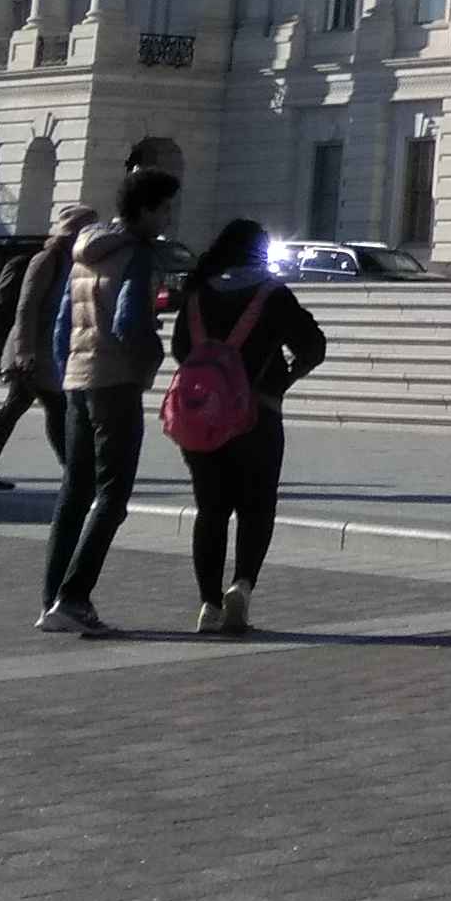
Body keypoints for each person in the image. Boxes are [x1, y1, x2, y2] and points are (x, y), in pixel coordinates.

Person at [170, 219, 329, 636]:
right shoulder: (271, 295)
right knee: (256, 507)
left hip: (201, 418)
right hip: (259, 413)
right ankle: (241, 584)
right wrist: (283, 379)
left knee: (211, 509)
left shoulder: (197, 293)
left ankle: (207, 603)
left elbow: (180, 349)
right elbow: (314, 345)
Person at [36, 165, 178, 636]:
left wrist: (68, 372)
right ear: (146, 210)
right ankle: (74, 597)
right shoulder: (136, 255)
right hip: (114, 381)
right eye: (164, 209)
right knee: (112, 495)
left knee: (74, 491)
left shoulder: (84, 252)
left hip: (77, 379)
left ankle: (52, 597)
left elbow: (61, 324)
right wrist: (151, 359)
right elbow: (128, 324)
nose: (167, 219)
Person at [0, 201, 87, 494]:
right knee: (54, 408)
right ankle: (73, 475)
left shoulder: (75, 262)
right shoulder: (47, 259)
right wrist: (24, 351)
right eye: (87, 227)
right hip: (33, 348)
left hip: (49, 349)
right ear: (73, 231)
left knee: (20, 407)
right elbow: (27, 306)